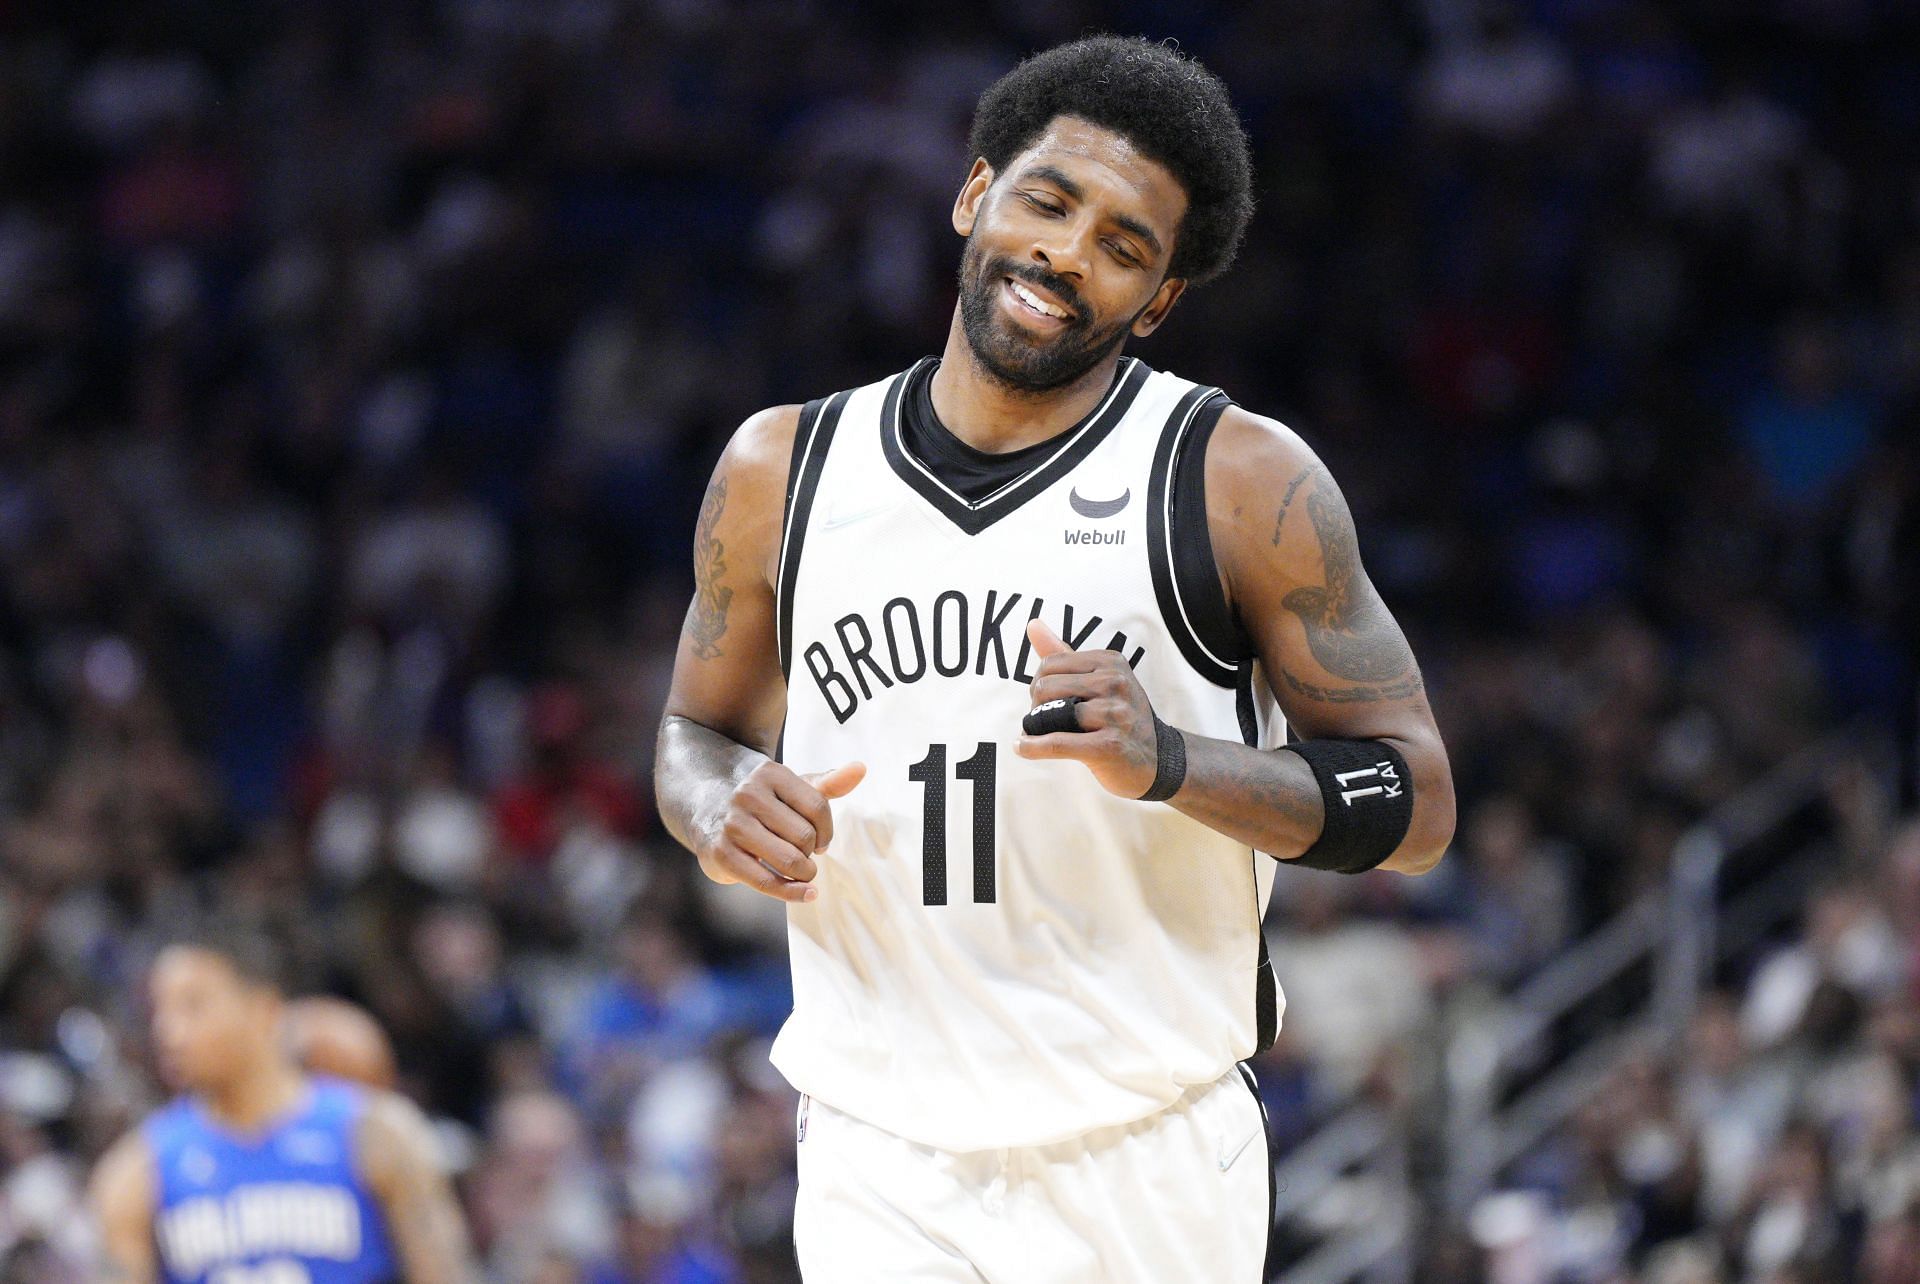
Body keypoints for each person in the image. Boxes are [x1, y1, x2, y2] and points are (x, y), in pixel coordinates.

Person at [655, 35, 1455, 1282]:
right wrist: (718, 807)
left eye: (1126, 247)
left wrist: (1174, 762)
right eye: (1049, 201)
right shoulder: (781, 469)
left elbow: (1415, 803)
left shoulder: (1236, 478)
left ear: (1161, 302)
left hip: (1144, 1151)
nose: (1069, 252)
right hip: (878, 1147)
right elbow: (690, 735)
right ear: (977, 195)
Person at [89, 927, 477, 1283]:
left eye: (194, 1005)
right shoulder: (135, 1171)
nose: (169, 1032)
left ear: (265, 1009)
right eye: (161, 1010)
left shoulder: (378, 1133)